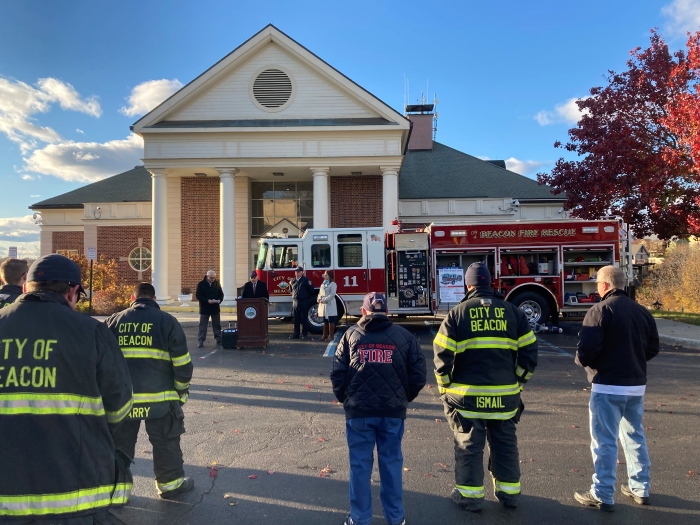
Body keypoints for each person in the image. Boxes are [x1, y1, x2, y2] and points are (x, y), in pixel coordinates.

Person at [0, 254, 133, 524]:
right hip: (74, 491)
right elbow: (119, 405)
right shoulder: (91, 332)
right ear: (73, 292)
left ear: (26, 288)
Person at [433, 262, 537, 513]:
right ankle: (509, 495)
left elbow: (441, 356)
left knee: (469, 446)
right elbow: (530, 352)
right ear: (489, 282)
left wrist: (445, 389)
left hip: (467, 399)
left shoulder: (457, 313)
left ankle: (470, 497)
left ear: (468, 285)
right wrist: (518, 382)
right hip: (505, 398)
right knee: (505, 445)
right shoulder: (513, 312)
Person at [331, 292, 426, 525]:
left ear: (363, 311)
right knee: (391, 464)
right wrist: (403, 398)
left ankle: (359, 518)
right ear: (386, 312)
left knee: (360, 467)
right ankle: (396, 518)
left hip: (359, 412)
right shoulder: (405, 336)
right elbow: (418, 374)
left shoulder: (350, 335)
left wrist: (347, 399)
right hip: (392, 412)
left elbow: (338, 373)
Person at [574, 265, 659, 512]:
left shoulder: (599, 310)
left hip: (608, 386)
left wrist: (584, 362)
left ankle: (602, 493)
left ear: (603, 285)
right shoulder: (642, 312)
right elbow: (652, 348)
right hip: (635, 386)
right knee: (634, 436)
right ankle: (640, 487)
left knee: (604, 442)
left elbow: (587, 351)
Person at [106, 283, 195, 500]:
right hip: (161, 401)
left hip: (122, 402)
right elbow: (182, 364)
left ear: (131, 297)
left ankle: (117, 492)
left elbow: (102, 362)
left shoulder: (114, 321)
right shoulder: (168, 322)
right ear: (154, 299)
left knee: (119, 446)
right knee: (166, 442)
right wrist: (181, 392)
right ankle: (170, 485)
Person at [196, 270, 224, 348]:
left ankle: (219, 338)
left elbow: (221, 294)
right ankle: (201, 340)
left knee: (216, 324)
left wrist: (219, 300)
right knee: (203, 325)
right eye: (211, 278)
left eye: (214, 278)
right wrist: (207, 300)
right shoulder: (201, 284)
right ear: (207, 276)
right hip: (205, 308)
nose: (213, 279)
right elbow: (198, 296)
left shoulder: (217, 283)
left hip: (215, 307)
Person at [289, 266, 314, 339]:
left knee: (304, 318)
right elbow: (291, 290)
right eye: (296, 272)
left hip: (304, 301)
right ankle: (296, 334)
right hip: (295, 301)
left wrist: (305, 297)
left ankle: (304, 334)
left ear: (302, 272)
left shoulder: (306, 280)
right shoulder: (292, 280)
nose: (297, 273)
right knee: (296, 318)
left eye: (298, 272)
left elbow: (311, 290)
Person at [318, 269, 337, 341]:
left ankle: (331, 336)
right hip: (323, 305)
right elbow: (320, 293)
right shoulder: (323, 284)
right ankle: (324, 335)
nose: (324, 276)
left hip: (330, 304)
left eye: (326, 275)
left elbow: (332, 294)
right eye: (324, 275)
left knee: (330, 320)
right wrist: (319, 299)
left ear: (329, 276)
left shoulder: (333, 284)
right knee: (325, 320)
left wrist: (324, 300)